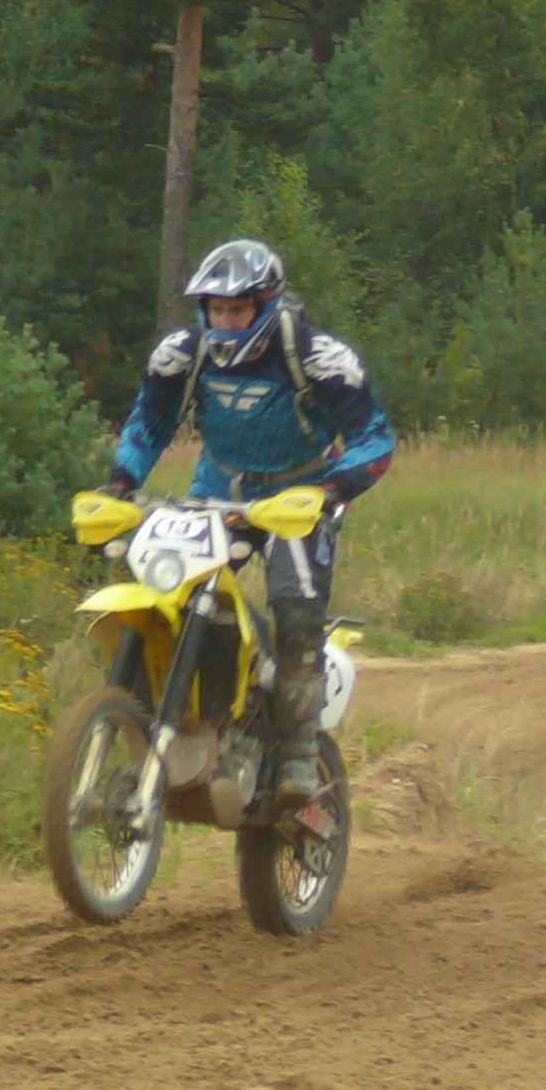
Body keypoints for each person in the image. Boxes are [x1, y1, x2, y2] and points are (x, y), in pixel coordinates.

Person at [105, 239, 394, 801]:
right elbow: (150, 422)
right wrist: (121, 481)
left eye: (237, 310)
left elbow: (374, 437)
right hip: (218, 492)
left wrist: (332, 490)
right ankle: (176, 727)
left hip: (299, 498)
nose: (225, 322)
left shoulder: (318, 357)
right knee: (169, 593)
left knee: (295, 608)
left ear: (266, 305)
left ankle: (298, 758)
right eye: (216, 309)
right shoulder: (183, 355)